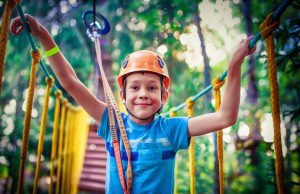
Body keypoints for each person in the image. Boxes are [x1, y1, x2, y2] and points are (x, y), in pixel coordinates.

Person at [10, 14, 256, 194]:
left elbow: (226, 117)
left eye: (152, 88)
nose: (143, 94)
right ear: (123, 95)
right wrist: (43, 34)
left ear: (164, 96)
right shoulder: (111, 122)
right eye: (135, 87)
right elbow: (69, 81)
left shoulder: (171, 130)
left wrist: (234, 66)